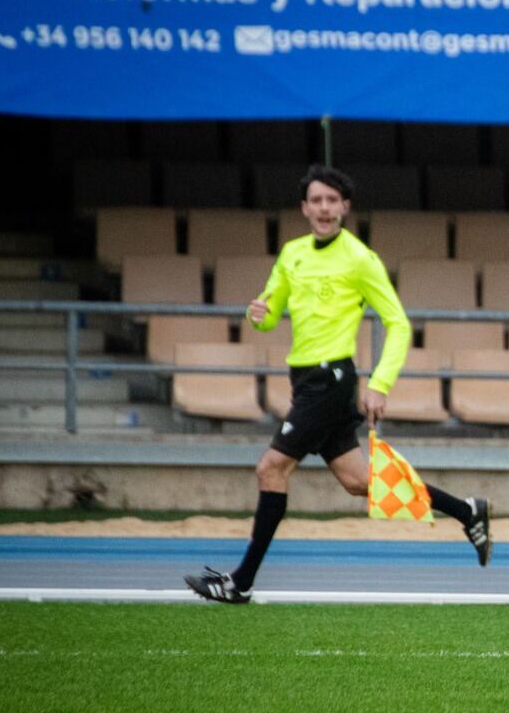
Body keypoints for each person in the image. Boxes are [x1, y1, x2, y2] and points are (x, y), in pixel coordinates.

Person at [183, 165, 491, 604]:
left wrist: (380, 383)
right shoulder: (291, 254)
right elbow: (271, 315)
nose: (324, 208)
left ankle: (241, 581)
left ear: (345, 206)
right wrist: (259, 314)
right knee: (359, 481)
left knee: (271, 468)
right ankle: (467, 511)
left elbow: (398, 324)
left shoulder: (360, 259)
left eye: (332, 200)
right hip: (304, 379)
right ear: (304, 208)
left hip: (332, 379)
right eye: (316, 201)